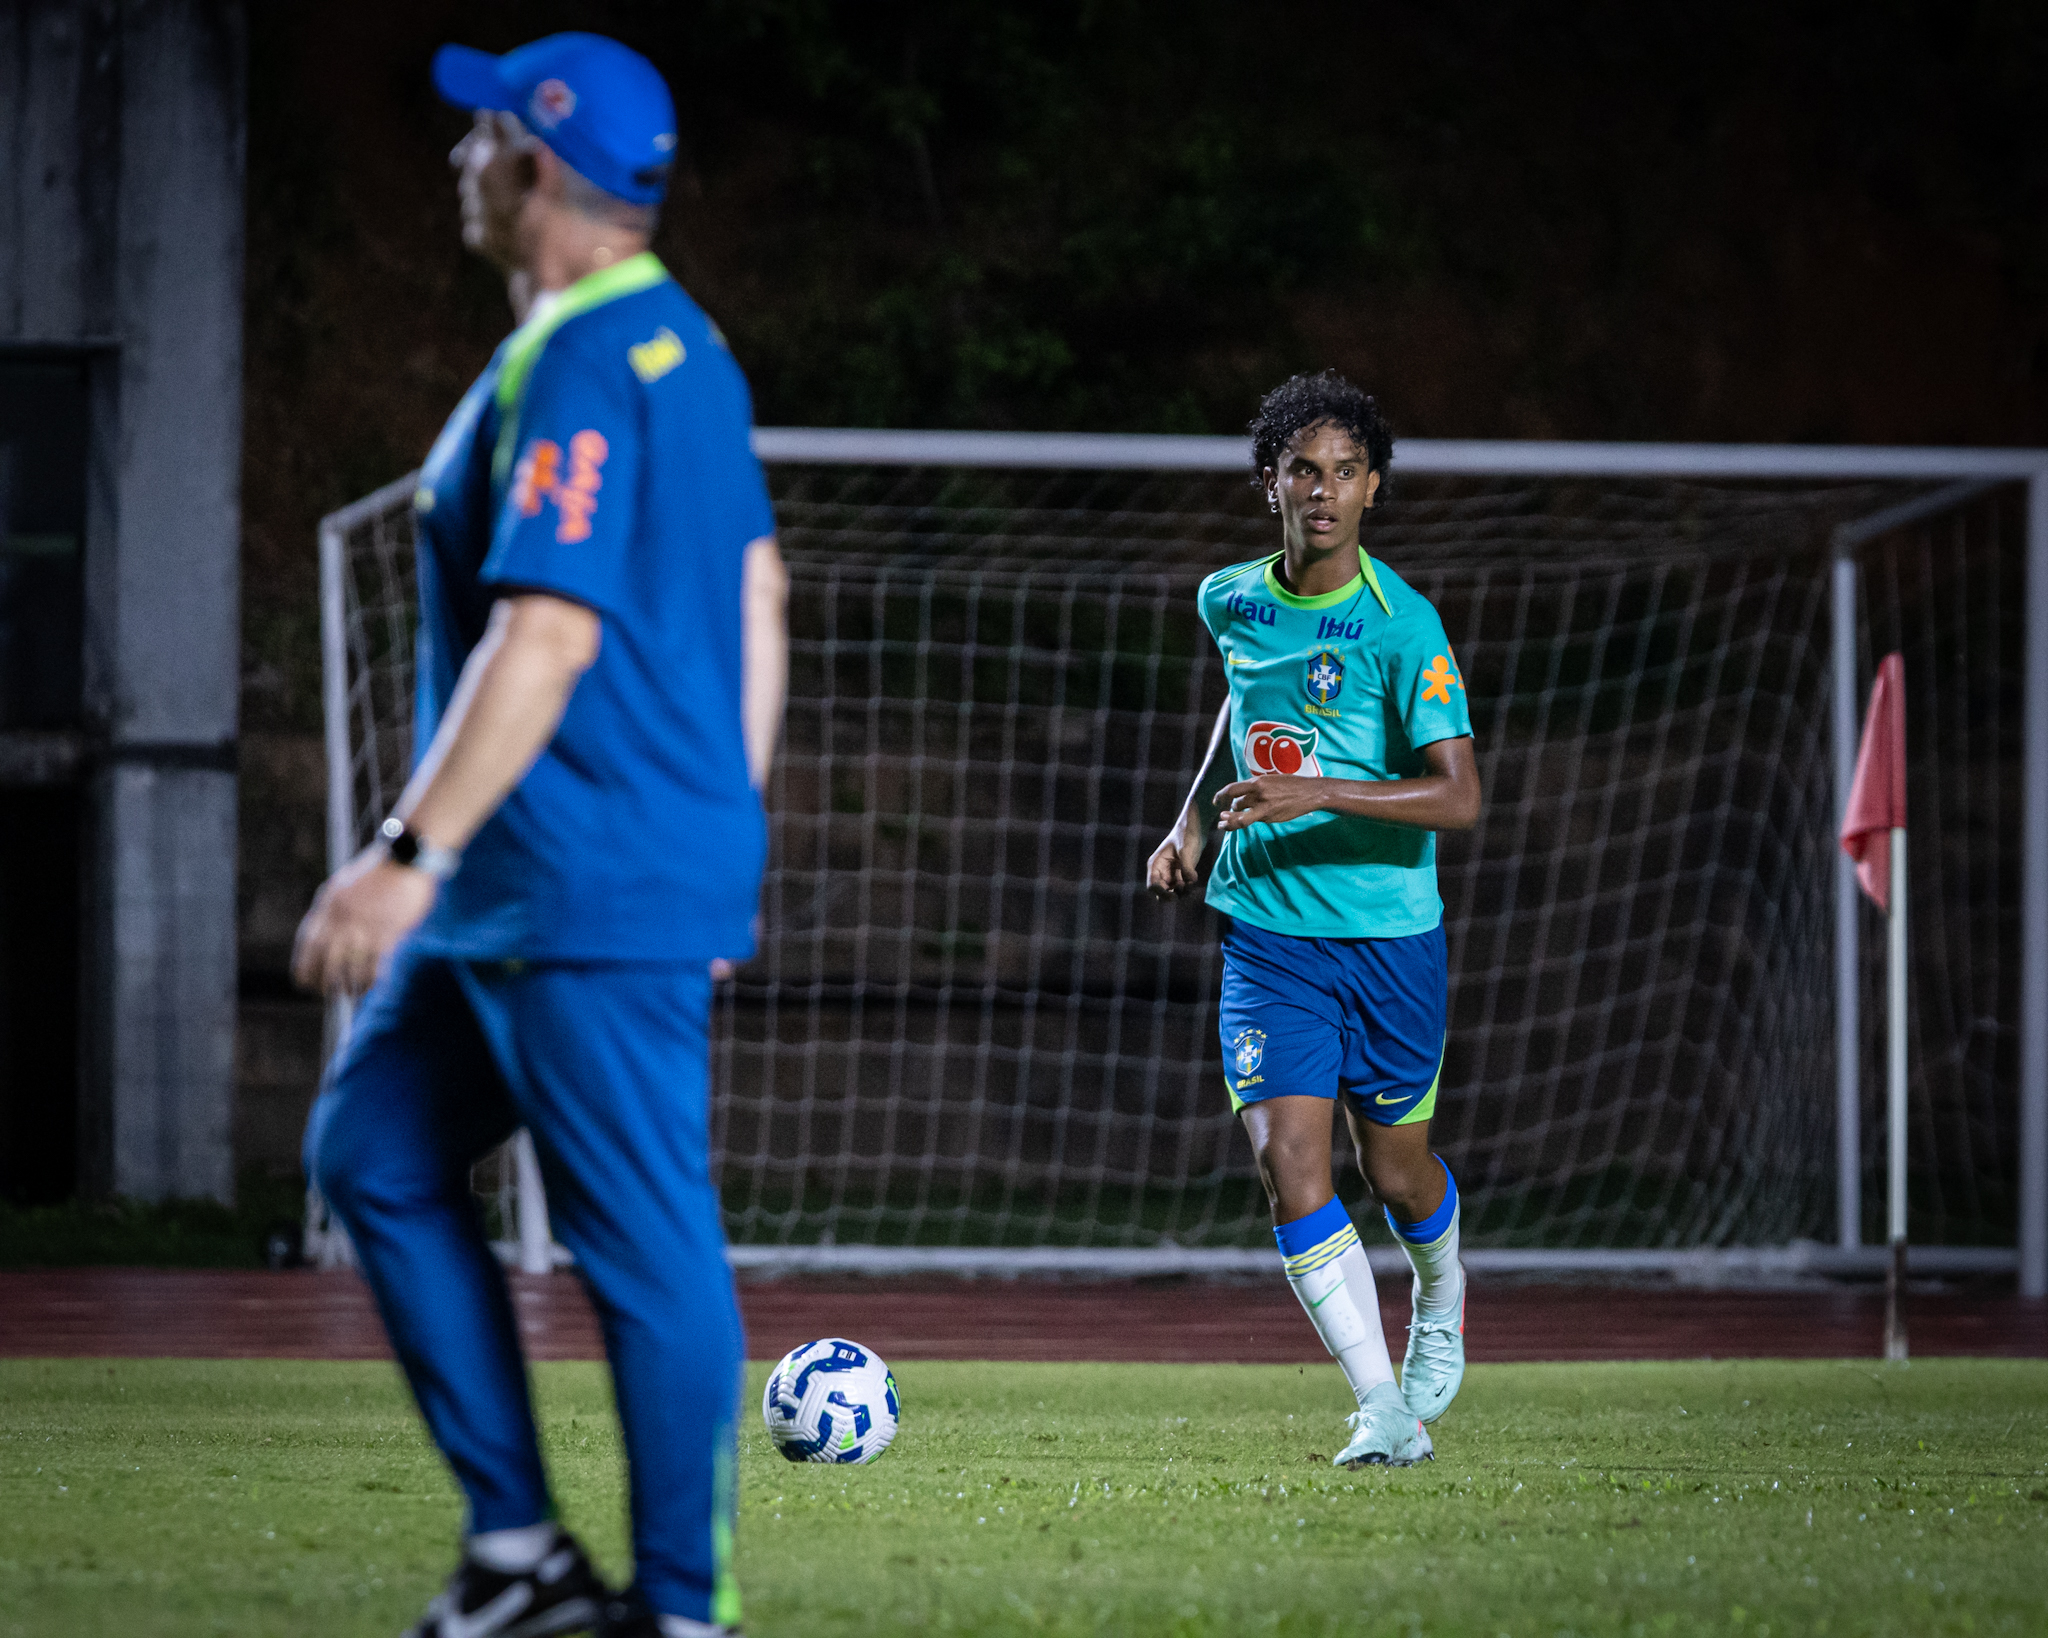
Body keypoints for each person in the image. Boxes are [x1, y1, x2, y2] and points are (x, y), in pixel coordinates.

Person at [292, 33, 787, 1638]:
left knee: (641, 1241)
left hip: (573, 878)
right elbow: (759, 598)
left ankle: (684, 1612)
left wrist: (403, 849)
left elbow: (547, 640)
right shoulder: (685, 348)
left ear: (535, 166)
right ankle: (520, 1559)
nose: (455, 155)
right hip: (560, 881)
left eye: (479, 130)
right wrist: (728, 817)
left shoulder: (578, 354)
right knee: (369, 1150)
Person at [1147, 371, 1479, 1468]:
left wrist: (1319, 791)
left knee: (1395, 1176)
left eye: (1344, 472)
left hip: (1386, 940)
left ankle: (1440, 1286)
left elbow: (1459, 796)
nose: (1323, 490)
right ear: (1269, 485)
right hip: (1268, 937)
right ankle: (1381, 1409)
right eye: (1303, 470)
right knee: (1292, 1163)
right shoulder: (1226, 598)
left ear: (1371, 488)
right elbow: (1242, 708)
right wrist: (1192, 822)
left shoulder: (1402, 625)